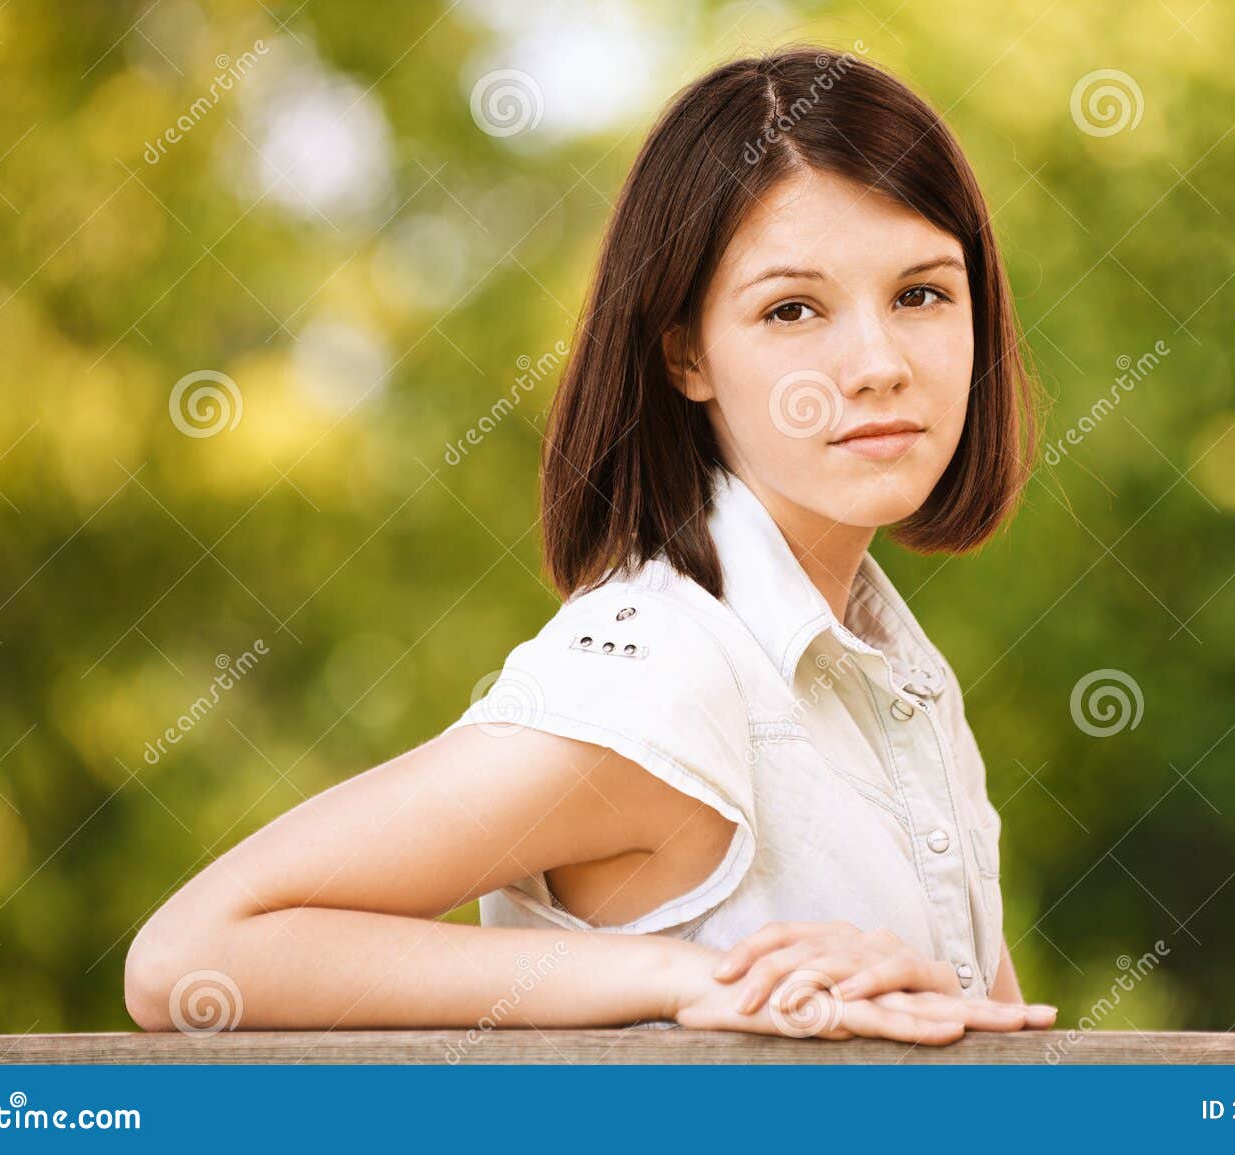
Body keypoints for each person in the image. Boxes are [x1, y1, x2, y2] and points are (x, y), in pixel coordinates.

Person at [124, 43, 1054, 1045]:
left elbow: (1003, 1061)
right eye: (792, 309)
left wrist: (918, 992)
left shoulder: (900, 681)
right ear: (685, 353)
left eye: (920, 294)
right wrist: (676, 977)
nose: (877, 364)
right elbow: (191, 956)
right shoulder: (665, 669)